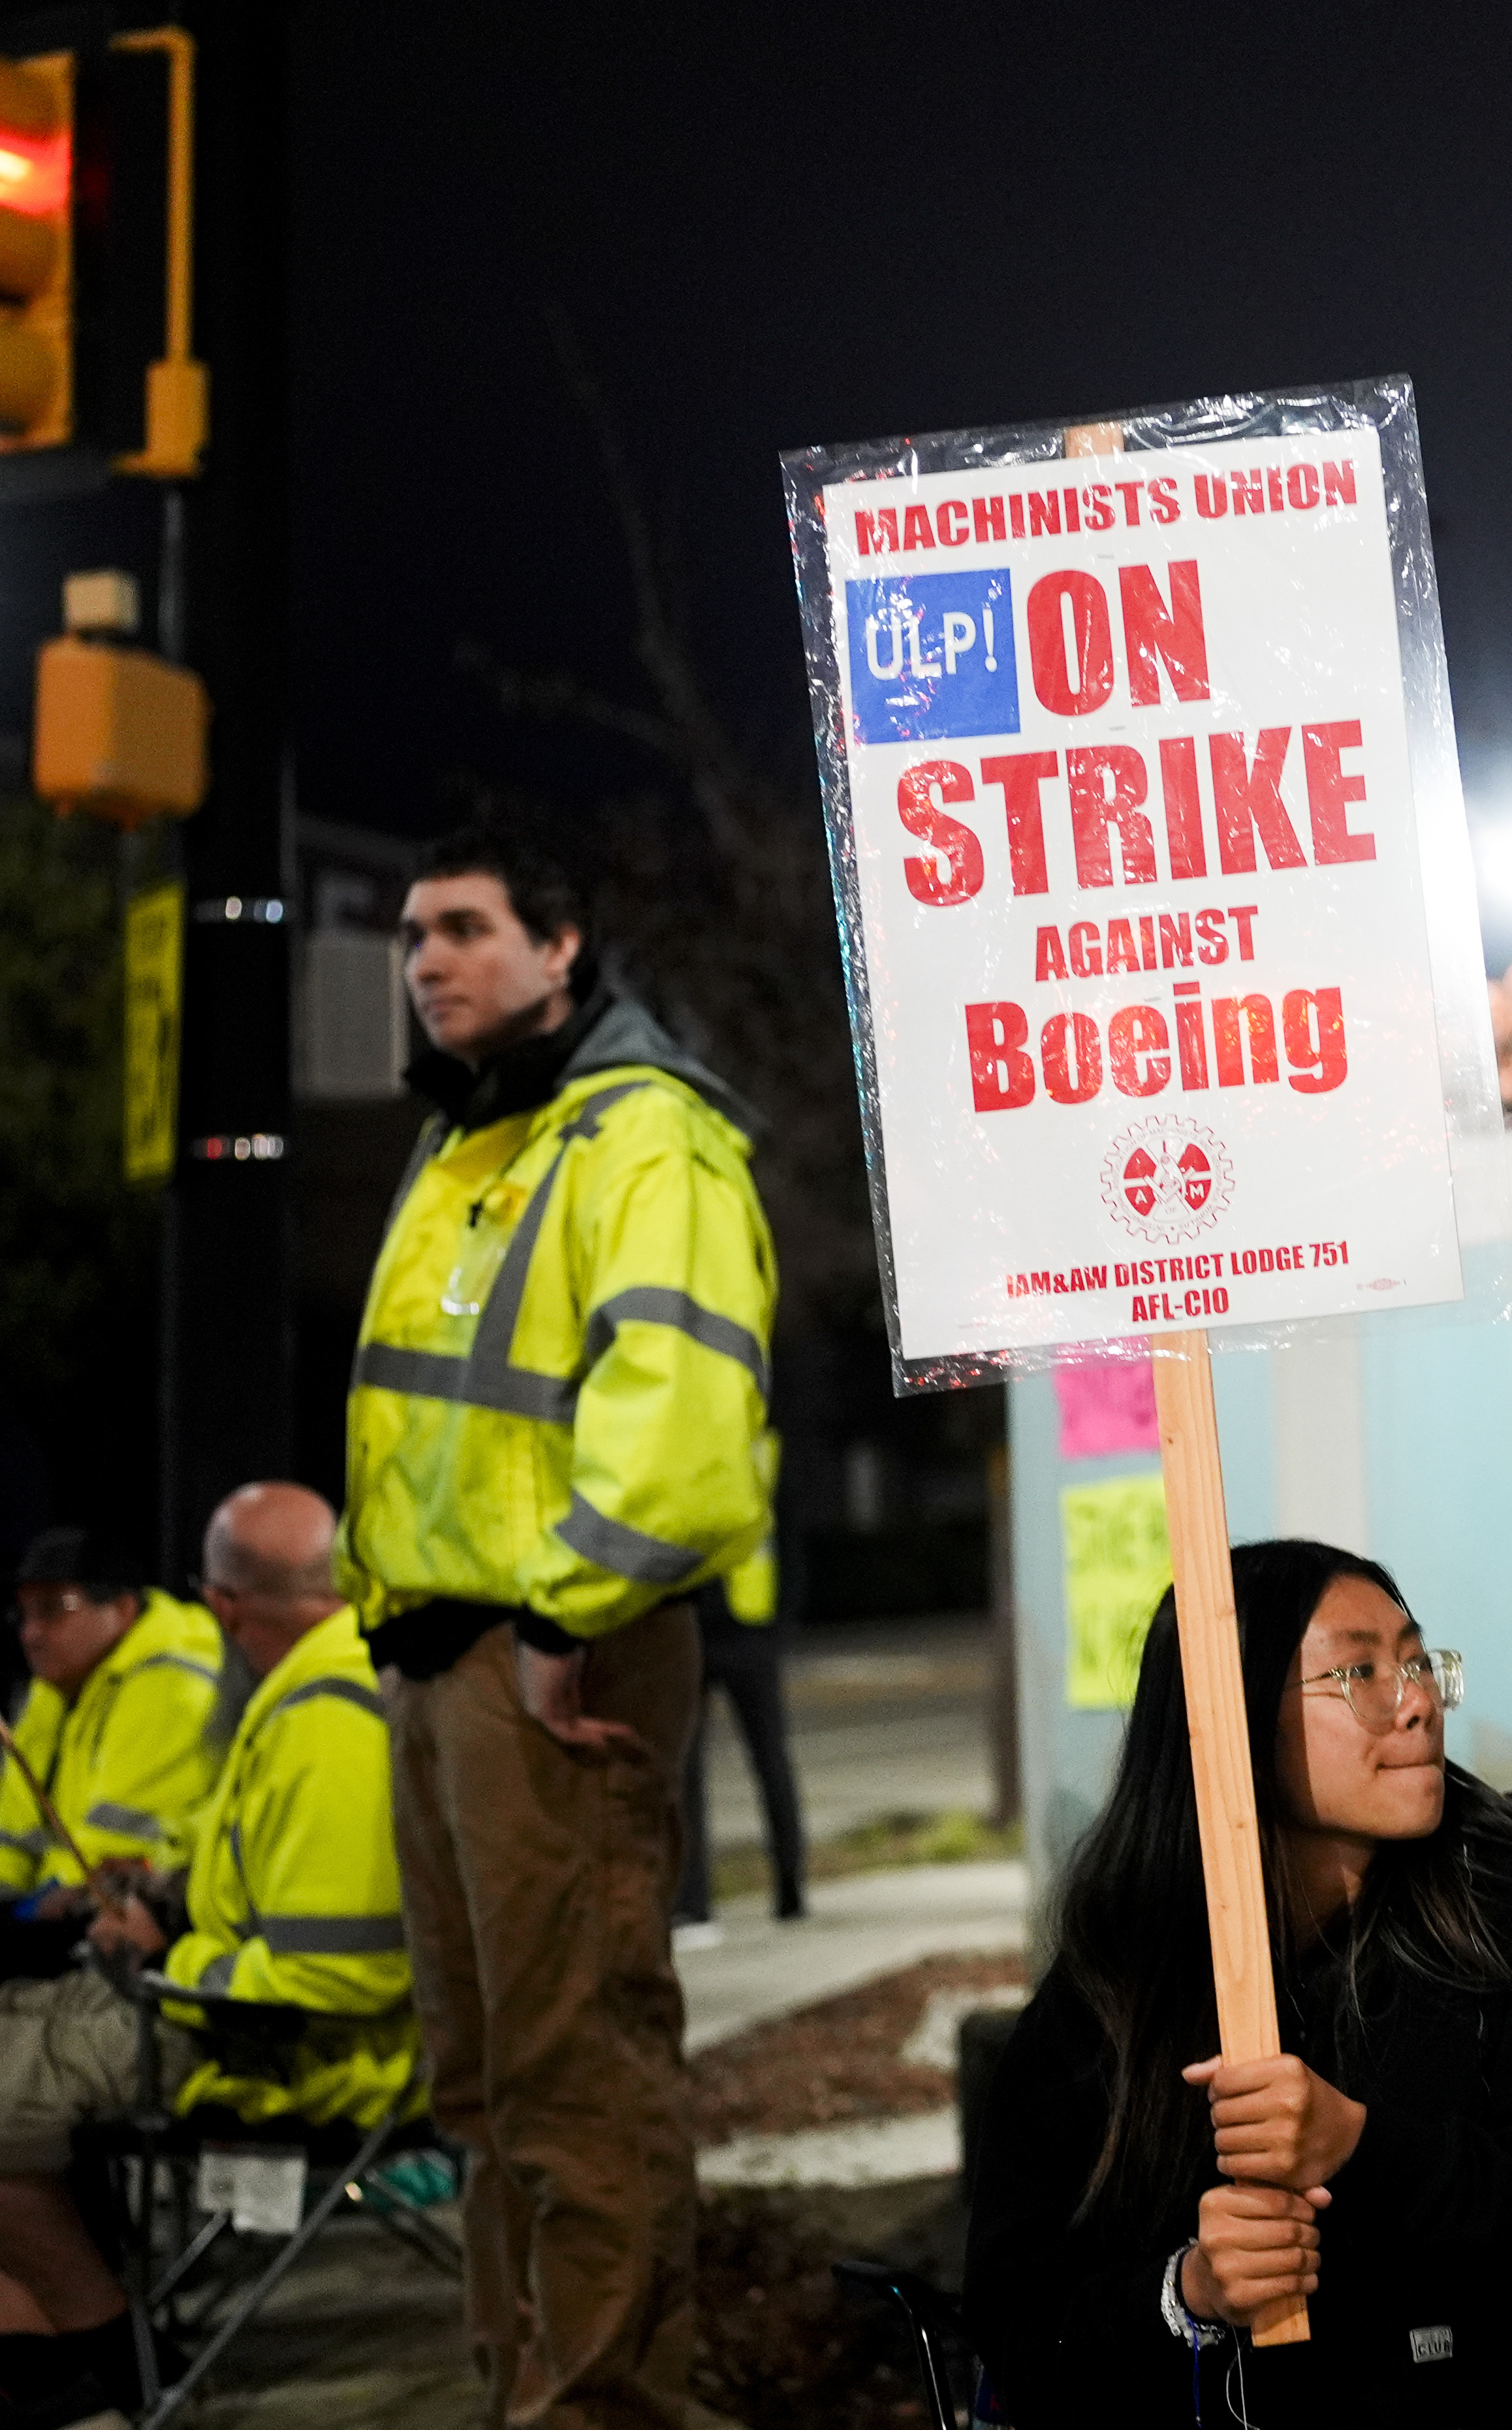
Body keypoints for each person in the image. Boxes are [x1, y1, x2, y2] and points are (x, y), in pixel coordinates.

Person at [342, 822, 776, 2429]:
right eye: (411, 936)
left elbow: (681, 1427)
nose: (427, 961)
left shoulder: (639, 1135)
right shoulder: (478, 1135)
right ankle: (528, 2389)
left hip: (550, 1658)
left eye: (463, 927)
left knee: (574, 2073)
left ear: (564, 944)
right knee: (489, 2083)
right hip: (447, 1656)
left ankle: (605, 2411)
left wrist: (557, 1619)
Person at [968, 1541, 1512, 2425]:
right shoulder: (1123, 1979)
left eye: (1417, 1662)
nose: (1420, 1702)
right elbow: (1019, 2329)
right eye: (1359, 1671)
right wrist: (1190, 2293)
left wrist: (1363, 2147)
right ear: (1228, 1715)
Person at [0, 1484, 412, 2429]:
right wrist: (168, 1897)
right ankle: (68, 2354)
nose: (32, 1633)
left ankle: (116, 2364)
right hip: (229, 2007)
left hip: (285, 2048)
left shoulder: (326, 1719)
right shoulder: (317, 1687)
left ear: (224, 1604)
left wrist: (166, 1965)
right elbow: (258, 1873)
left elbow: (336, 1978)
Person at [0, 1529, 228, 1923]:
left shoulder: (172, 1683)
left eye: (53, 1609)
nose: (30, 1634)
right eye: (23, 1615)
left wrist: (22, 1916)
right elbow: (13, 1836)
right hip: (64, 1921)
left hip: (137, 1925)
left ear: (122, 1609)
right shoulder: (55, 1688)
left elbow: (114, 1861)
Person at [675, 1550, 809, 1934]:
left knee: (770, 1761)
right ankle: (691, 1902)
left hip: (749, 1629)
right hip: (697, 1625)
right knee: (687, 1772)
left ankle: (790, 1888)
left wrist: (780, 1628)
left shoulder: (771, 1486)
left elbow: (790, 1545)